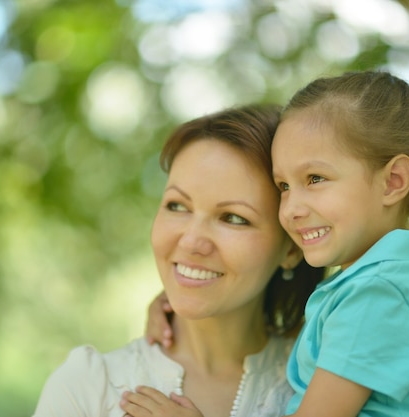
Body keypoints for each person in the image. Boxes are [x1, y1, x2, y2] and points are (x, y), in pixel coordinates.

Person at [130, 70, 409, 417]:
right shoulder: (375, 287)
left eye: (315, 178)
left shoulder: (379, 295)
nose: (290, 208)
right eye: (284, 187)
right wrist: (178, 299)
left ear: (393, 181)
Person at [32, 104, 325, 417]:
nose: (191, 241)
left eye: (233, 218)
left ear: (291, 249)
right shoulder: (87, 388)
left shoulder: (329, 381)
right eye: (177, 206)